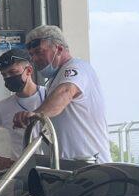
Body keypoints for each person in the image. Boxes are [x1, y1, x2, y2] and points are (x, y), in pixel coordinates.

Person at [13, 25, 109, 163]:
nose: (34, 59)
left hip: (91, 166)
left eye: (39, 52)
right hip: (68, 167)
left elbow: (65, 92)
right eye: (32, 55)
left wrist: (37, 114)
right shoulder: (53, 81)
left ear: (58, 49)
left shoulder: (77, 67)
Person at [0, 49, 45, 169]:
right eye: (4, 75)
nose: (8, 78)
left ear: (28, 71)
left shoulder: (50, 96)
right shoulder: (2, 107)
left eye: (13, 72)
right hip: (20, 172)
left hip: (53, 168)